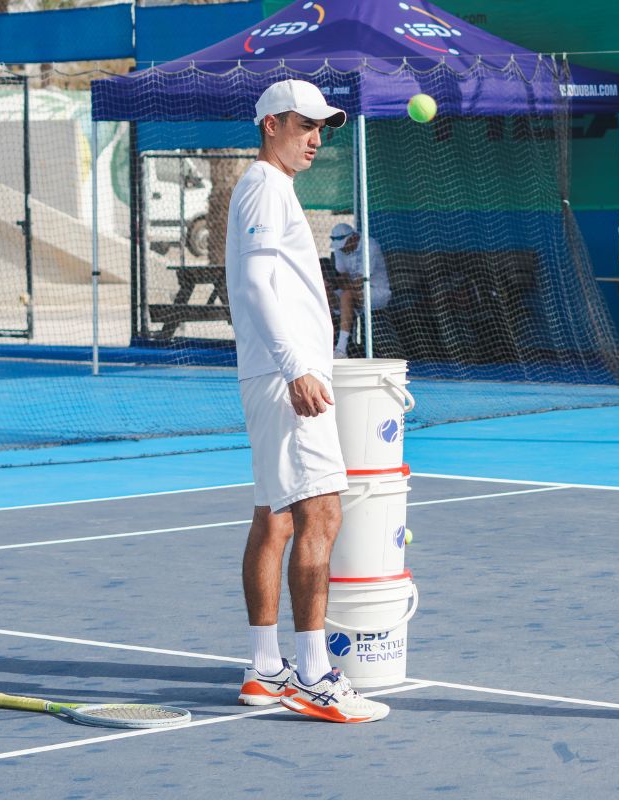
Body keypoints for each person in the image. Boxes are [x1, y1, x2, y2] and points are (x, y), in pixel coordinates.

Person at [225, 79, 389, 723]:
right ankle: (315, 675)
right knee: (321, 514)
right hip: (282, 376)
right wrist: (298, 367)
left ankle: (265, 669)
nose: (316, 137)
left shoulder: (267, 188)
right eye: (304, 124)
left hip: (271, 374)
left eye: (322, 127)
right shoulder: (265, 186)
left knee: (276, 517)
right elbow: (258, 282)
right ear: (271, 124)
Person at [328, 222, 391, 357]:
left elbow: (358, 283)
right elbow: (343, 278)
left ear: (354, 238)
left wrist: (344, 284)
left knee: (346, 296)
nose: (342, 250)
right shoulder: (340, 249)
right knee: (326, 294)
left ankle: (341, 349)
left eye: (344, 246)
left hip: (378, 292)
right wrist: (338, 284)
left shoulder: (370, 246)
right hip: (354, 292)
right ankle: (327, 344)